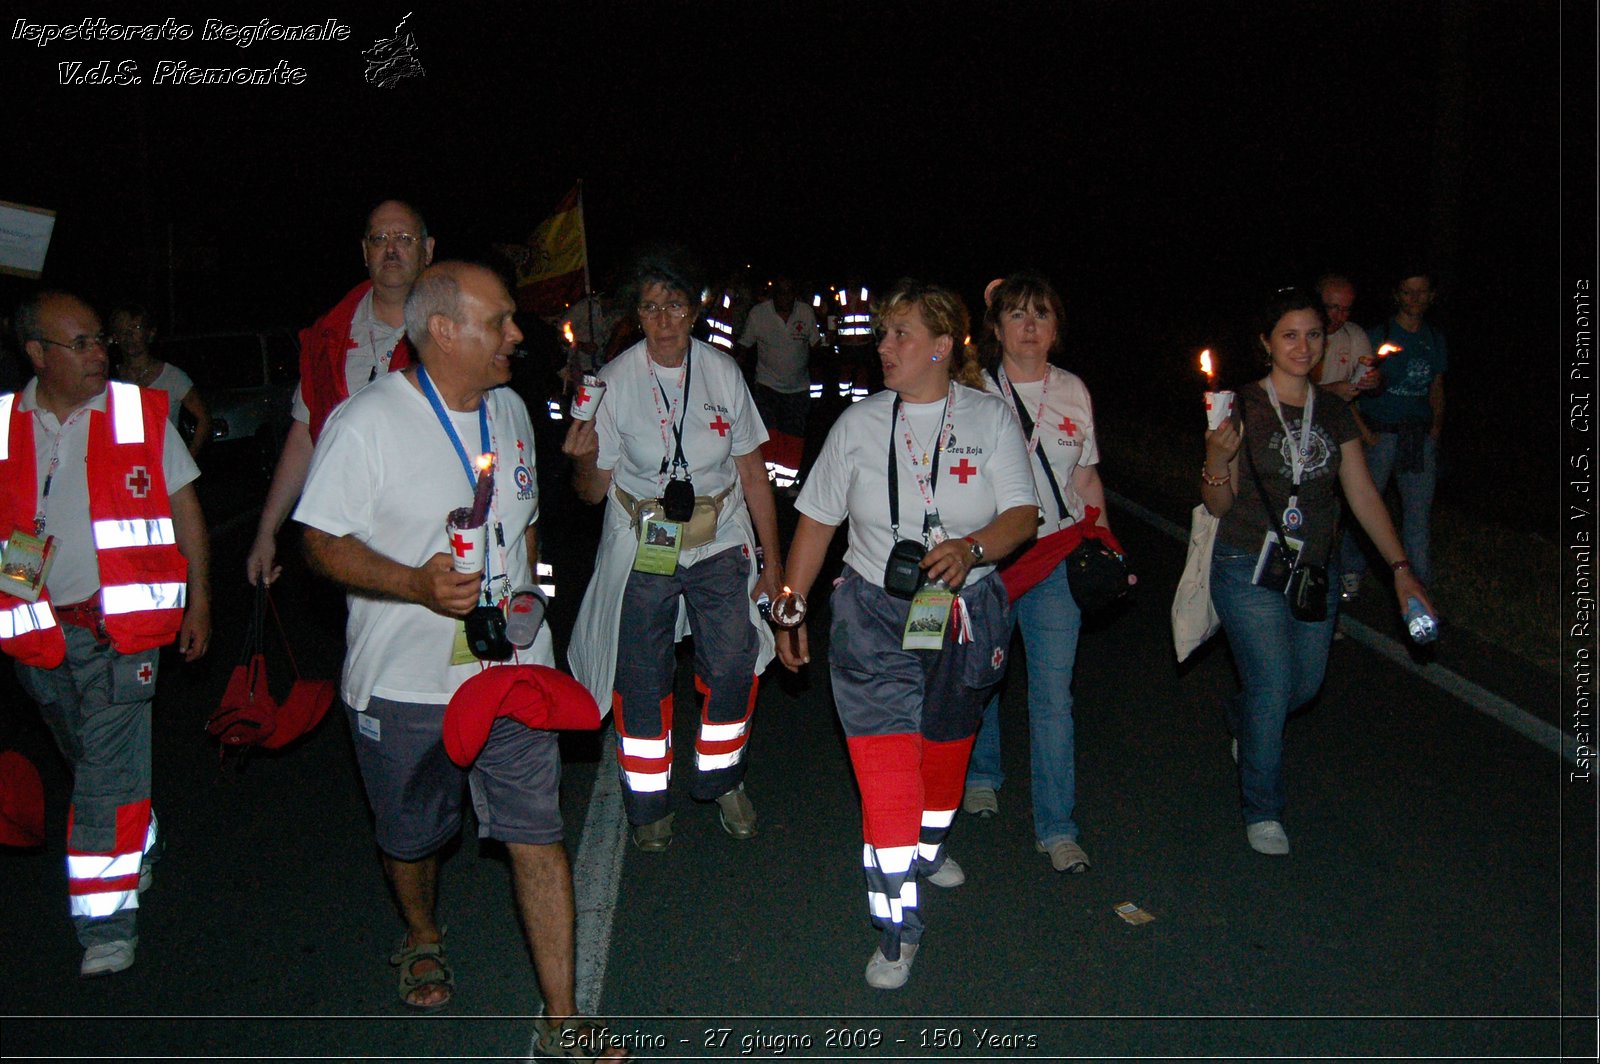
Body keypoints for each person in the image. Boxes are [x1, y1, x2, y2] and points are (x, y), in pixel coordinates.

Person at [295, 264, 619, 1044]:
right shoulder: (365, 422)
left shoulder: (508, 408)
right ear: (444, 331)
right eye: (502, 321)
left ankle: (565, 1019)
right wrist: (413, 582)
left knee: (537, 835)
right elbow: (317, 542)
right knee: (411, 836)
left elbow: (527, 517)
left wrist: (525, 603)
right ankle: (422, 933)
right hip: (406, 680)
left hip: (511, 671)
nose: (518, 335)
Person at [774, 279, 1037, 989]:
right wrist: (790, 606)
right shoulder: (858, 425)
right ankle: (897, 927)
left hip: (963, 612)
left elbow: (1021, 515)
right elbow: (819, 521)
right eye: (882, 334)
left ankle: (928, 844)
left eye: (899, 335)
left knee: (944, 768)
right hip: (870, 616)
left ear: (943, 347)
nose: (882, 347)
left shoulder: (988, 418)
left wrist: (974, 548)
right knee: (888, 780)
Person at [2, 290, 211, 976]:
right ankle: (135, 825)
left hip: (121, 631)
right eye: (83, 343)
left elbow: (185, 507)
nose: (102, 353)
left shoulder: (137, 412)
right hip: (37, 632)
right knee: (84, 755)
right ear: (37, 354)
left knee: (99, 781)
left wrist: (199, 601)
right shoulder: (4, 424)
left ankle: (106, 924)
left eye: (101, 340)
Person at [1202, 287, 1436, 856]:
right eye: (1289, 334)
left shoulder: (1332, 410)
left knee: (1299, 688)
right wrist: (1214, 458)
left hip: (1313, 570)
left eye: (1312, 334)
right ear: (1265, 343)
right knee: (1274, 681)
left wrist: (1401, 568)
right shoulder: (1238, 405)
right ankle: (1262, 808)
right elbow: (1219, 506)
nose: (1303, 346)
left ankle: (1244, 715)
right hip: (1245, 563)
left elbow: (1360, 493)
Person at [562, 248, 782, 853]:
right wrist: (582, 455)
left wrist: (774, 567)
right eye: (651, 307)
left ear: (694, 310)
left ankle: (724, 778)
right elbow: (591, 493)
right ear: (637, 314)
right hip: (644, 539)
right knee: (640, 672)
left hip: (720, 534)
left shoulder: (722, 373)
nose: (664, 320)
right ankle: (647, 802)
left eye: (675, 305)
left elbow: (754, 473)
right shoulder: (613, 382)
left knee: (735, 660)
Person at [960, 271, 1129, 874]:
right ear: (997, 327)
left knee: (1053, 695)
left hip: (1055, 555)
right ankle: (983, 770)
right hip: (987, 559)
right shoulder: (971, 388)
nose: (1029, 326)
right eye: (1016, 314)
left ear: (1057, 329)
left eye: (1042, 314)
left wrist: (1107, 544)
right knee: (980, 674)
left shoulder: (1073, 391)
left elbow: (1084, 477)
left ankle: (1057, 827)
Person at [246, 199, 436, 586]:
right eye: (379, 238)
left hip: (434, 538)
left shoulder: (451, 332)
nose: (391, 248)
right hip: (354, 544)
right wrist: (268, 530)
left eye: (404, 237)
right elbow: (306, 435)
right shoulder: (329, 337)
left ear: (427, 250)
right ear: (364, 252)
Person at [1338, 270, 1448, 597]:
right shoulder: (1377, 335)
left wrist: (1436, 430)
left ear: (1431, 297)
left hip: (1418, 437)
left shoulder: (1434, 338)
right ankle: (1350, 571)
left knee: (1417, 518)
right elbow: (1350, 389)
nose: (1414, 299)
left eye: (1421, 292)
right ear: (1397, 295)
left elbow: (1437, 388)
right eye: (1407, 292)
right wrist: (1366, 435)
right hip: (1380, 434)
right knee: (1366, 507)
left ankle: (1418, 589)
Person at [736, 276, 821, 489]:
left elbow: (816, 347)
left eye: (789, 292)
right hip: (767, 384)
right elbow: (744, 348)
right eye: (781, 292)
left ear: (795, 293)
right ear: (774, 294)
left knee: (792, 436)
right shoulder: (759, 314)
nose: (785, 297)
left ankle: (787, 482)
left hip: (798, 387)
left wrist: (819, 387)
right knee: (767, 433)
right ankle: (766, 479)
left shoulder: (805, 312)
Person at [107, 304, 212, 459]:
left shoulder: (173, 377)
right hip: (126, 465)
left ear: (150, 333)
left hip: (164, 466)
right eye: (122, 329)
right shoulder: (108, 378)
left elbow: (204, 418)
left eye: (135, 327)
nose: (129, 335)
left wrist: (187, 460)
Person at [1311, 275, 1379, 404]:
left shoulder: (1353, 333)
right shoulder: (1297, 337)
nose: (1339, 316)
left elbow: (1374, 391)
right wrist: (1329, 390)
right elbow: (1284, 391)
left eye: (1346, 310)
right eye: (1332, 307)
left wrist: (1374, 381)